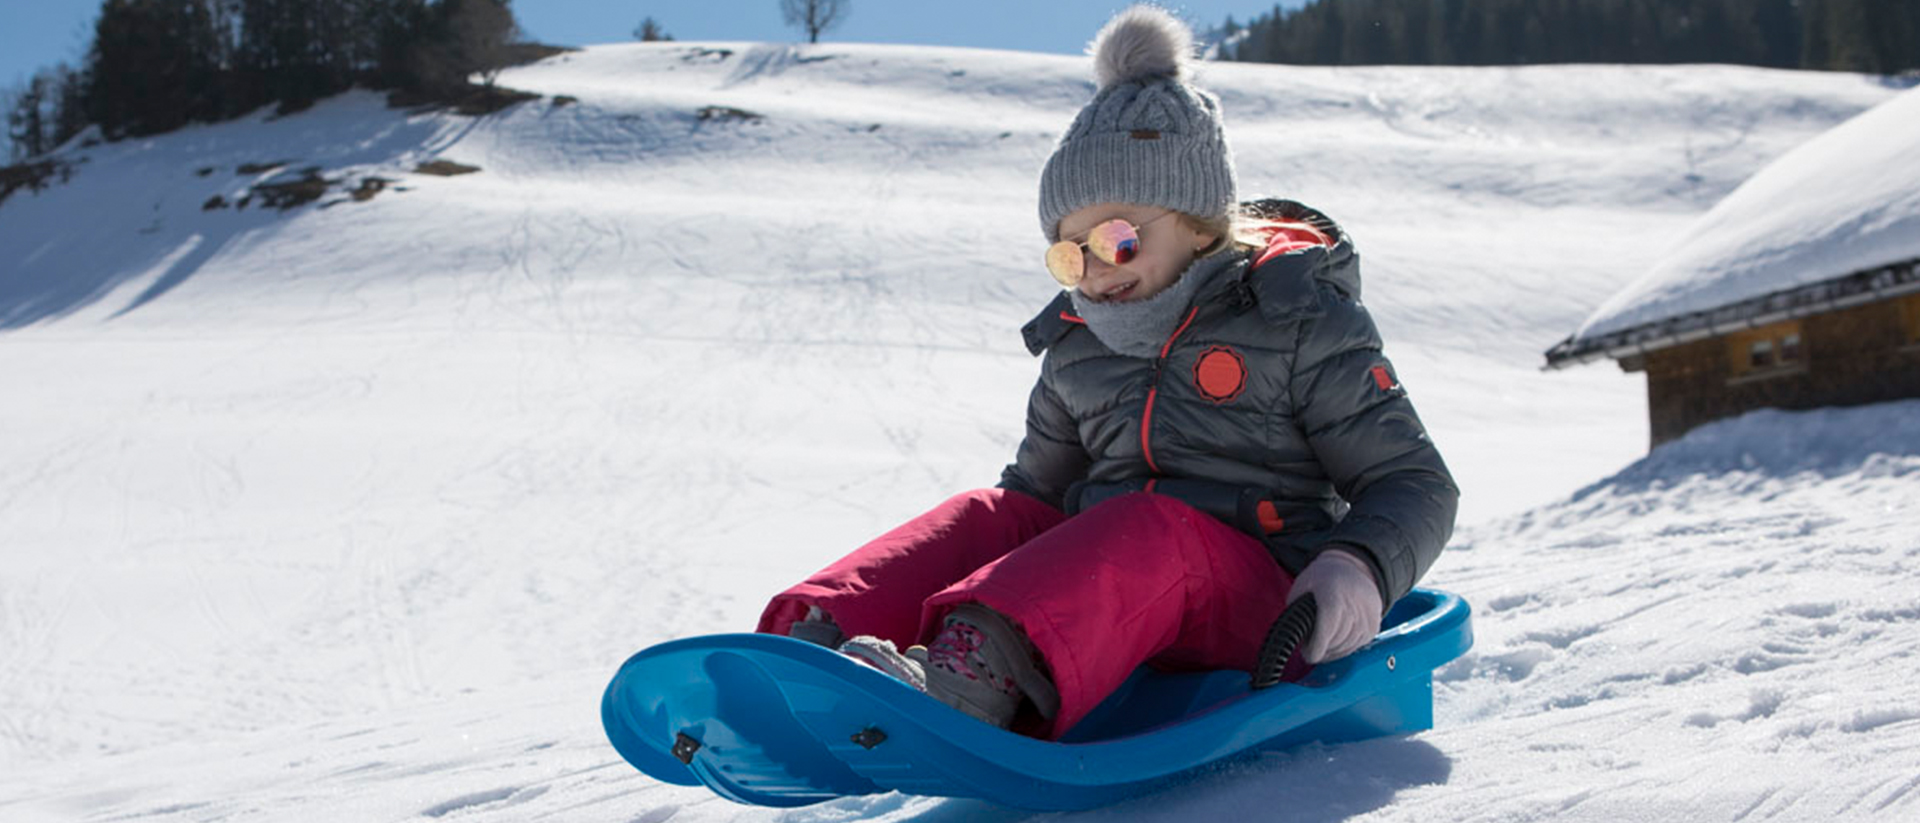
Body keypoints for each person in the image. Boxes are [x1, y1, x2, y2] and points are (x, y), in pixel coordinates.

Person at [756, 4, 1458, 740]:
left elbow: (1414, 482)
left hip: (1270, 608)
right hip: (1114, 609)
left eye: (1118, 239)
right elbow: (1037, 501)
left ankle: (969, 680)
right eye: (1069, 252)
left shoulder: (1296, 321)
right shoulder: (1078, 345)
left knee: (1151, 524)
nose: (1092, 269)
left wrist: (1358, 565)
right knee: (994, 512)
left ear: (1197, 219)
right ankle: (809, 652)